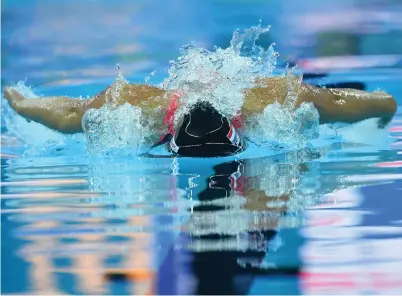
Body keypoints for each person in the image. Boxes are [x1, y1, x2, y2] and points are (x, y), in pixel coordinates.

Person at [3, 76, 397, 156]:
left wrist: (378, 108)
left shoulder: (271, 103)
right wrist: (22, 105)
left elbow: (72, 113)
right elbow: (73, 111)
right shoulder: (140, 112)